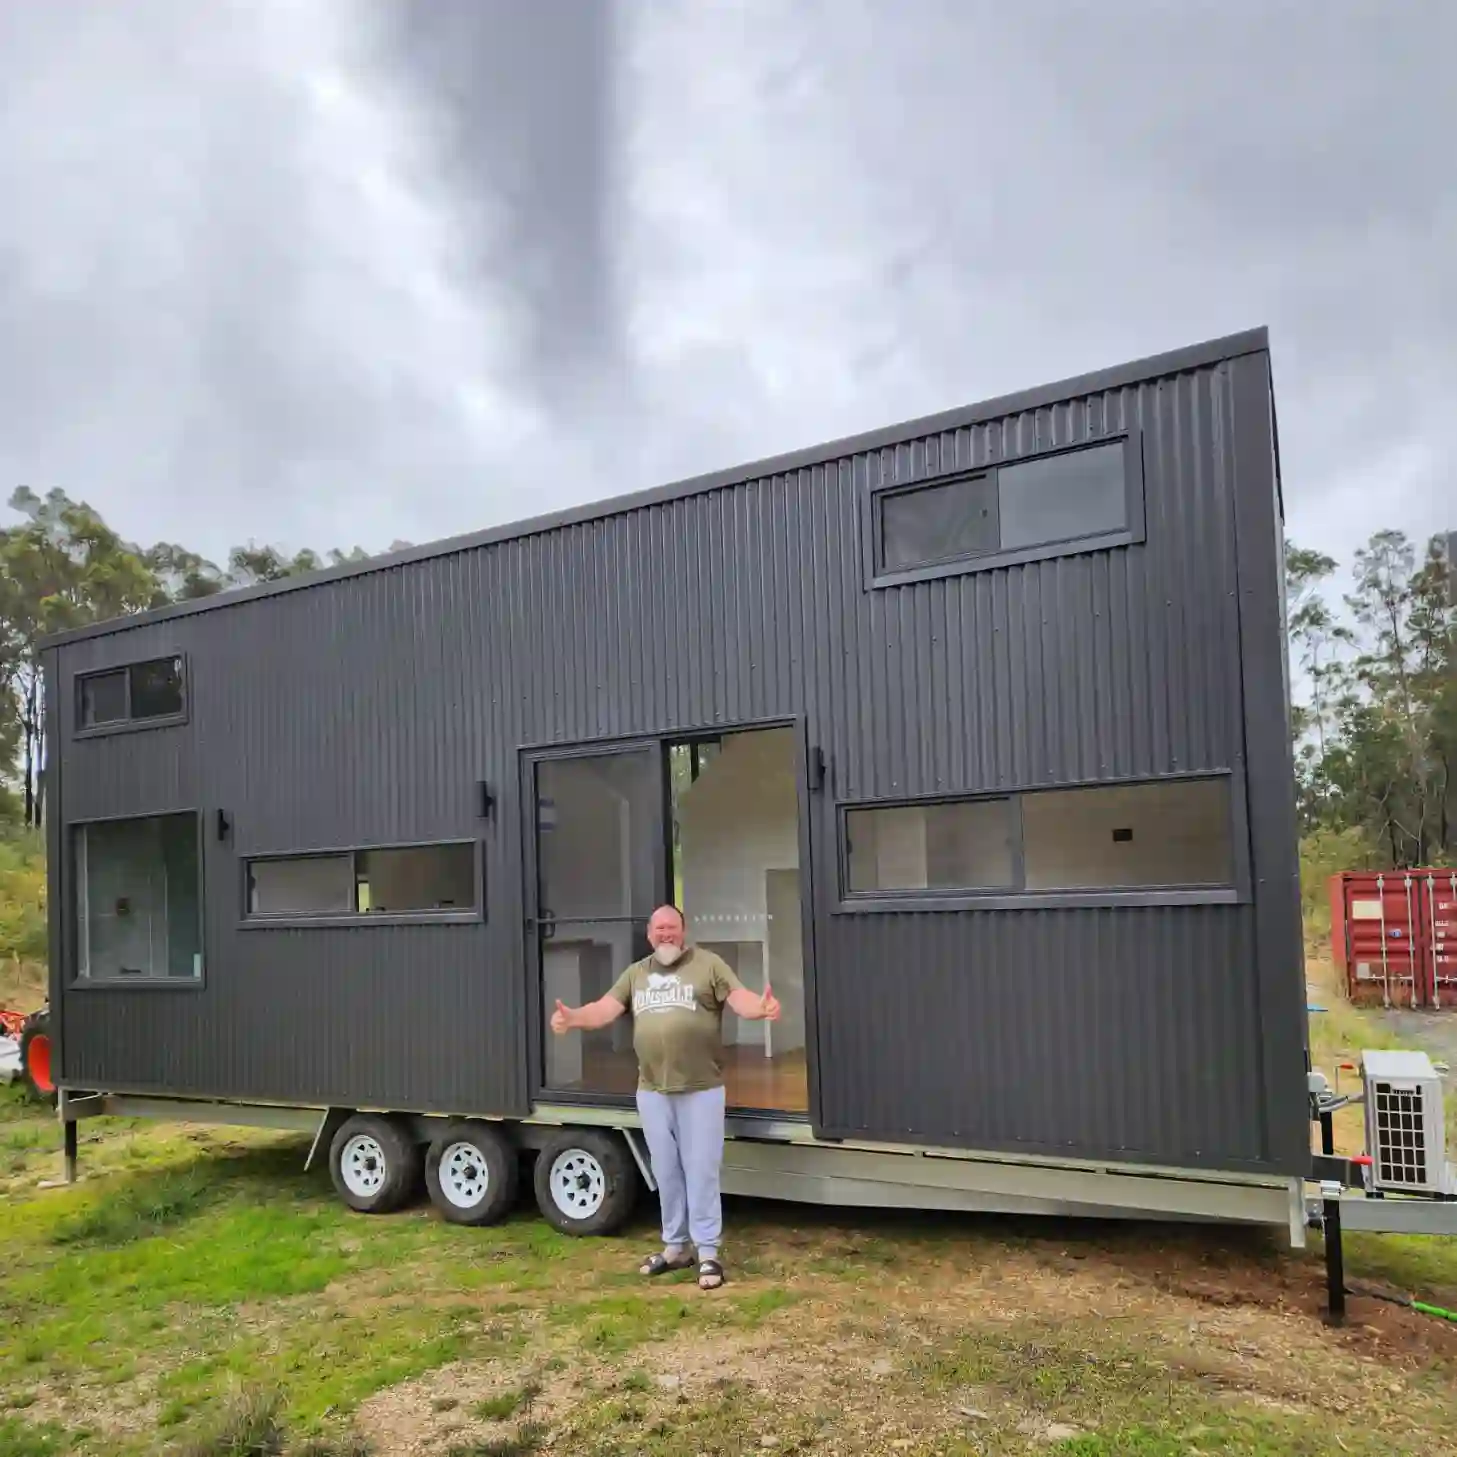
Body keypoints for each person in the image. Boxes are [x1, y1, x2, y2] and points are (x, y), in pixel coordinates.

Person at [549, 903, 780, 1290]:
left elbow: (739, 998)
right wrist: (572, 1017)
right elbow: (605, 1009)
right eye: (659, 929)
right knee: (666, 1171)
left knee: (701, 1169)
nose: (666, 934)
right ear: (650, 935)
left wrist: (761, 1008)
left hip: (701, 1089)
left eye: (672, 928)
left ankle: (708, 1253)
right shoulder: (636, 973)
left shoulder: (708, 965)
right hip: (652, 1090)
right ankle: (676, 1247)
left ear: (683, 932)